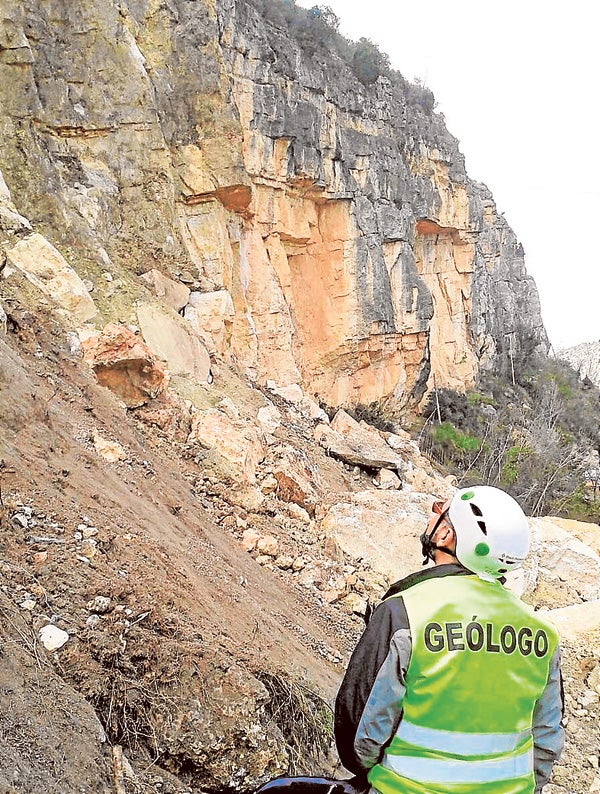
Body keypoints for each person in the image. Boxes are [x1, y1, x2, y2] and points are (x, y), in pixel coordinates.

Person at [334, 485, 564, 794]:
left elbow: (360, 731)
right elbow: (546, 740)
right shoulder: (542, 632)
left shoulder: (405, 612)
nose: (433, 515)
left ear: (446, 537)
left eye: (441, 512)